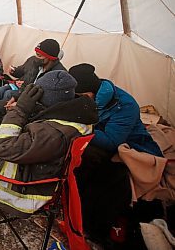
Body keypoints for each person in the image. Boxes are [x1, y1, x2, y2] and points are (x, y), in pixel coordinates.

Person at [0, 70, 98, 217]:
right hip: (26, 165)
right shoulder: (72, 116)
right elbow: (29, 139)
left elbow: (5, 148)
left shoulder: (52, 133)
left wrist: (21, 110)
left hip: (19, 185)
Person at [69, 63, 163, 244]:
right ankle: (75, 207)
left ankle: (90, 222)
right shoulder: (88, 97)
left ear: (90, 93)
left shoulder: (125, 105)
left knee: (94, 166)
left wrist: (82, 126)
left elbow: (112, 141)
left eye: (80, 96)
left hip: (130, 147)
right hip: (99, 140)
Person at [0, 38, 66, 128]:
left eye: (39, 55)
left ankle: (10, 127)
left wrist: (20, 105)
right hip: (26, 98)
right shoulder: (37, 64)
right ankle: (0, 123)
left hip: (36, 109)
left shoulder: (58, 75)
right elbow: (29, 85)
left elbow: (48, 104)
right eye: (36, 54)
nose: (36, 58)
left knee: (7, 97)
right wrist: (16, 98)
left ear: (49, 57)